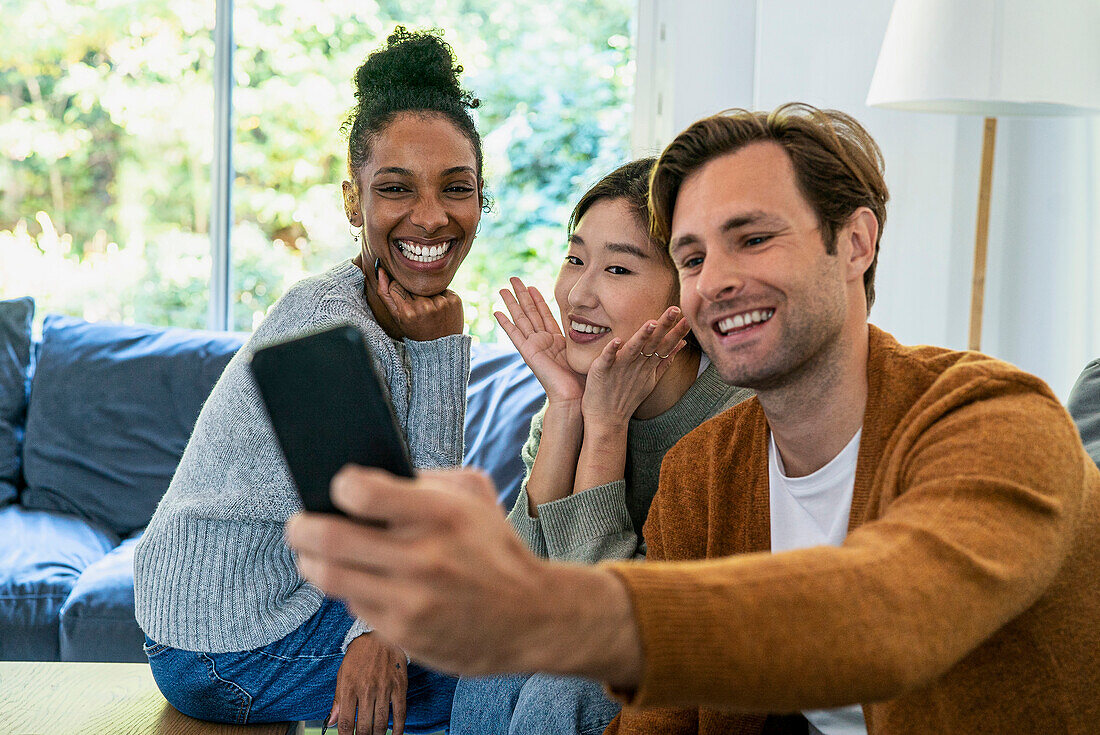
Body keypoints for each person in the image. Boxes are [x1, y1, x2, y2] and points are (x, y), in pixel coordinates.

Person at [285, 103, 1100, 735]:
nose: (716, 282)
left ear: (855, 244)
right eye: (693, 255)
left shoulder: (999, 418)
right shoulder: (707, 472)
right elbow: (660, 719)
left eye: (753, 238)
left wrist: (538, 608)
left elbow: (891, 612)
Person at [133, 27, 486, 734]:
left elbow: (416, 501)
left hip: (285, 597)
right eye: (395, 188)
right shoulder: (327, 324)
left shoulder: (403, 313)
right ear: (353, 202)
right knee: (497, 683)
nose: (431, 216)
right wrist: (374, 632)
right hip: (220, 640)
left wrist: (438, 347)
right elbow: (390, 517)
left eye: (457, 188)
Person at [449, 159, 751, 735]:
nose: (578, 294)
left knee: (562, 692)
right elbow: (518, 589)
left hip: (688, 665)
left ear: (687, 290)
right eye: (574, 258)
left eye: (616, 268)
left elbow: (612, 622)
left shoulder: (731, 422)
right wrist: (567, 406)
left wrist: (606, 427)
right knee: (491, 663)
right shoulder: (578, 392)